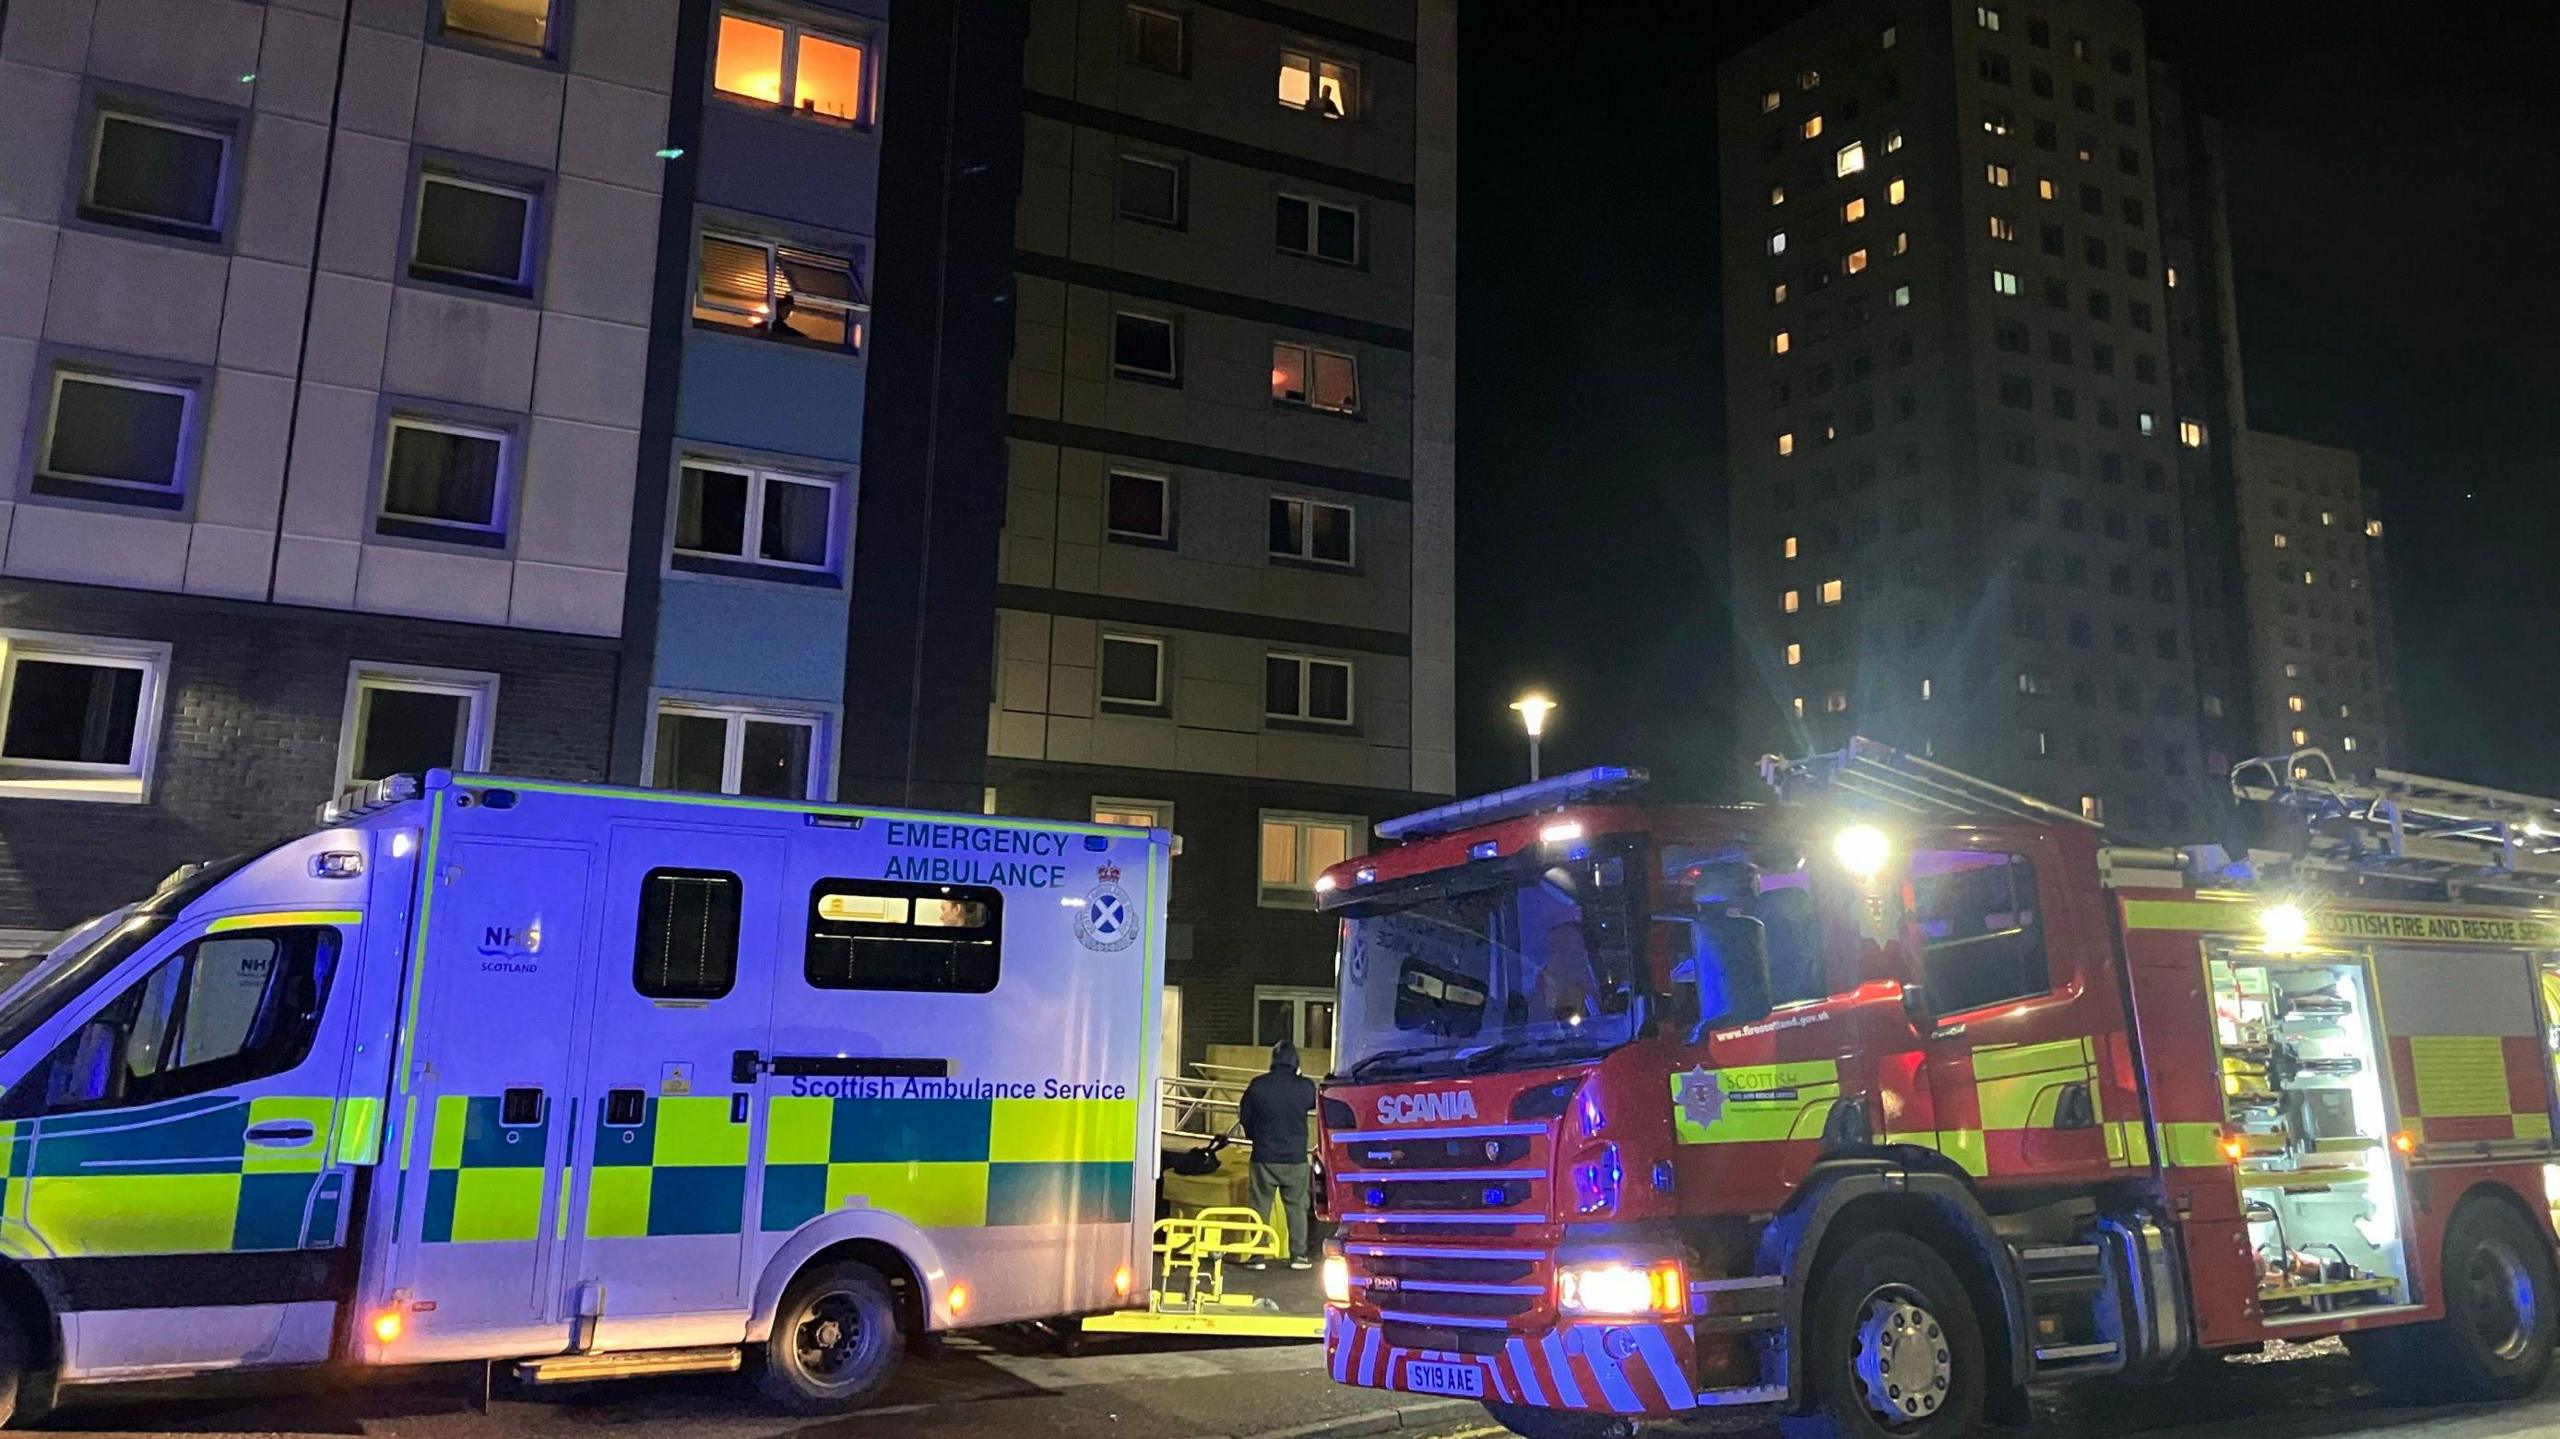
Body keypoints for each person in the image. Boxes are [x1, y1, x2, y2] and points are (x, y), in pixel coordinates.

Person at [1238, 1039, 1320, 1270]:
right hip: (1295, 1158)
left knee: (1260, 1207)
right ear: (1296, 1062)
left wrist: (1256, 1136)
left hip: (1264, 1156)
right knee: (1296, 1207)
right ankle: (1299, 1256)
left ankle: (1257, 1256)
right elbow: (1313, 1104)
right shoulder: (1305, 1086)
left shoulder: (1258, 1085)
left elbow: (1245, 1116)